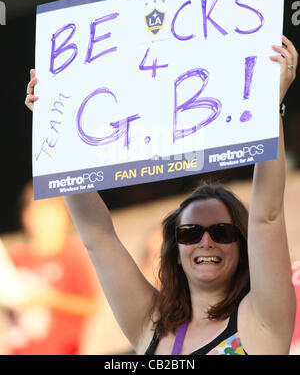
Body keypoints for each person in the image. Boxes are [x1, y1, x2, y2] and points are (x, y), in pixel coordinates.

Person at [25, 35, 298, 355]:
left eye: (221, 232)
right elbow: (98, 237)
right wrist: (55, 128)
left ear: (243, 246)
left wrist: (269, 107)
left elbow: (267, 217)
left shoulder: (262, 319)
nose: (205, 241)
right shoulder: (150, 326)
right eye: (190, 232)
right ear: (175, 249)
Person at [2, 181, 101, 355]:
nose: (41, 219)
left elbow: (90, 305)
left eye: (48, 211)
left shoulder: (72, 255)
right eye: (35, 210)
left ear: (66, 215)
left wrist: (47, 299)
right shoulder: (14, 257)